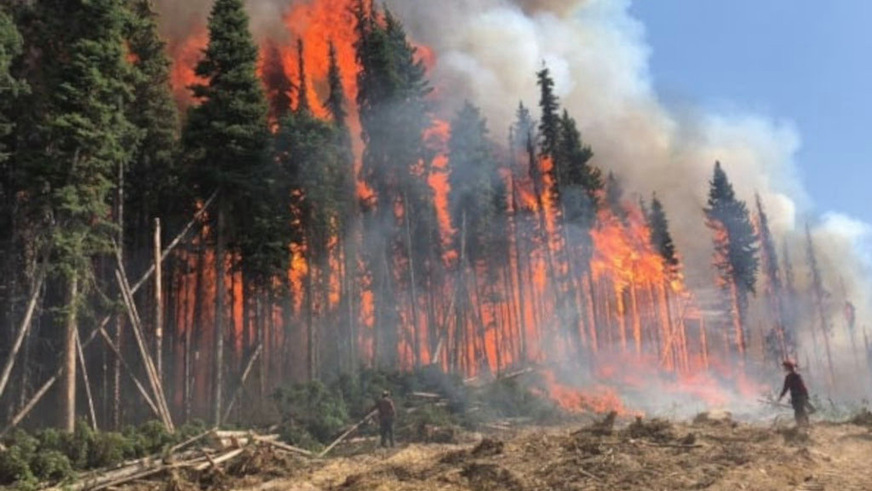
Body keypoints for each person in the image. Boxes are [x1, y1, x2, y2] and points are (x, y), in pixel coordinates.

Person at [777, 360, 811, 427]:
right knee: (801, 410)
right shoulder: (796, 376)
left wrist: (780, 397)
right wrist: (806, 394)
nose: (784, 369)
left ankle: (801, 426)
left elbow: (785, 388)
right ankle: (805, 425)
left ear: (787, 368)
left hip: (797, 397)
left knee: (798, 412)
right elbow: (802, 386)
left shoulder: (790, 377)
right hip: (800, 396)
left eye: (785, 367)